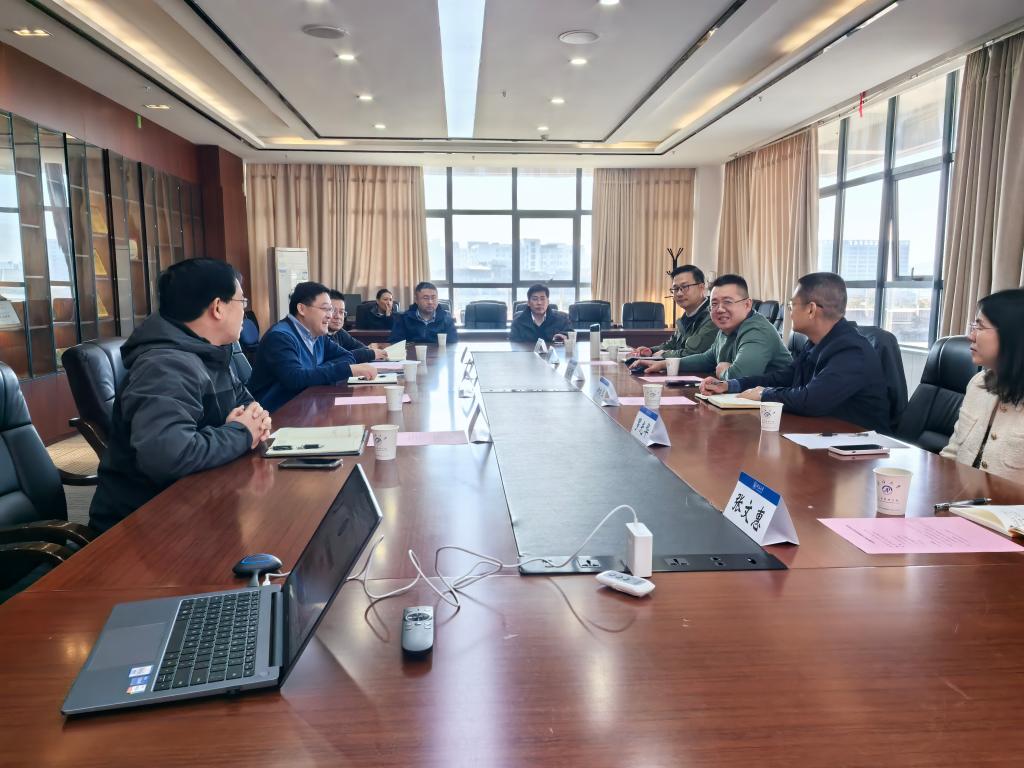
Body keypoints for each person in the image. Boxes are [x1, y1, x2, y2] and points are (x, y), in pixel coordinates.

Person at [89, 258, 272, 533]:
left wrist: (252, 423)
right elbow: (168, 456)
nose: (245, 312)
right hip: (143, 526)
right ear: (218, 307)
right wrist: (241, 432)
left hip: (198, 503)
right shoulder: (164, 365)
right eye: (242, 301)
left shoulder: (213, 353)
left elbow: (248, 407)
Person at [700, 272, 889, 431]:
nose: (789, 313)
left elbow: (812, 399)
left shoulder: (851, 350)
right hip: (819, 432)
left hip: (855, 445)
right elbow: (782, 377)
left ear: (811, 310)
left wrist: (764, 394)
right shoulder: (816, 343)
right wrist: (730, 385)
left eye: (792, 306)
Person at [249, 281, 378, 411]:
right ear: (302, 309)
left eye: (330, 310)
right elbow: (295, 379)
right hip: (276, 414)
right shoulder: (280, 337)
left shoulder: (318, 335)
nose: (330, 315)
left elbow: (348, 356)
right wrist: (345, 370)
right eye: (325, 309)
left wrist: (316, 371)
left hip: (307, 406)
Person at [941, 288, 1024, 481]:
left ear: (1012, 335)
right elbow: (952, 454)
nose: (971, 336)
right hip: (959, 496)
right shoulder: (979, 383)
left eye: (980, 327)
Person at [669, 274, 791, 379]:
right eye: (714, 304)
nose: (720, 309)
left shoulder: (757, 331)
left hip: (776, 398)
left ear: (747, 305)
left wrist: (723, 370)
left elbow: (740, 376)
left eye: (727, 302)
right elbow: (707, 359)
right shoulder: (727, 328)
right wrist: (667, 364)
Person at [631, 265, 716, 373]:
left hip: (704, 377)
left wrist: (663, 354)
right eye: (675, 289)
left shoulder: (713, 316)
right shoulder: (685, 318)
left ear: (701, 287)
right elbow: (672, 344)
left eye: (685, 287)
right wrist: (651, 350)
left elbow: (693, 354)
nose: (679, 293)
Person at [327, 290, 387, 362]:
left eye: (341, 312)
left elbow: (361, 347)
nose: (338, 316)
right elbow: (340, 357)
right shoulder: (320, 337)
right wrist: (370, 354)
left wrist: (371, 352)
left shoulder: (339, 332)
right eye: (333, 311)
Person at [389, 281, 458, 344]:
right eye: (425, 298)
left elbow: (453, 344)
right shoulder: (403, 319)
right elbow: (395, 343)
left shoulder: (446, 319)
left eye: (433, 298)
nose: (430, 302)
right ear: (416, 300)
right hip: (411, 353)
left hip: (440, 354)